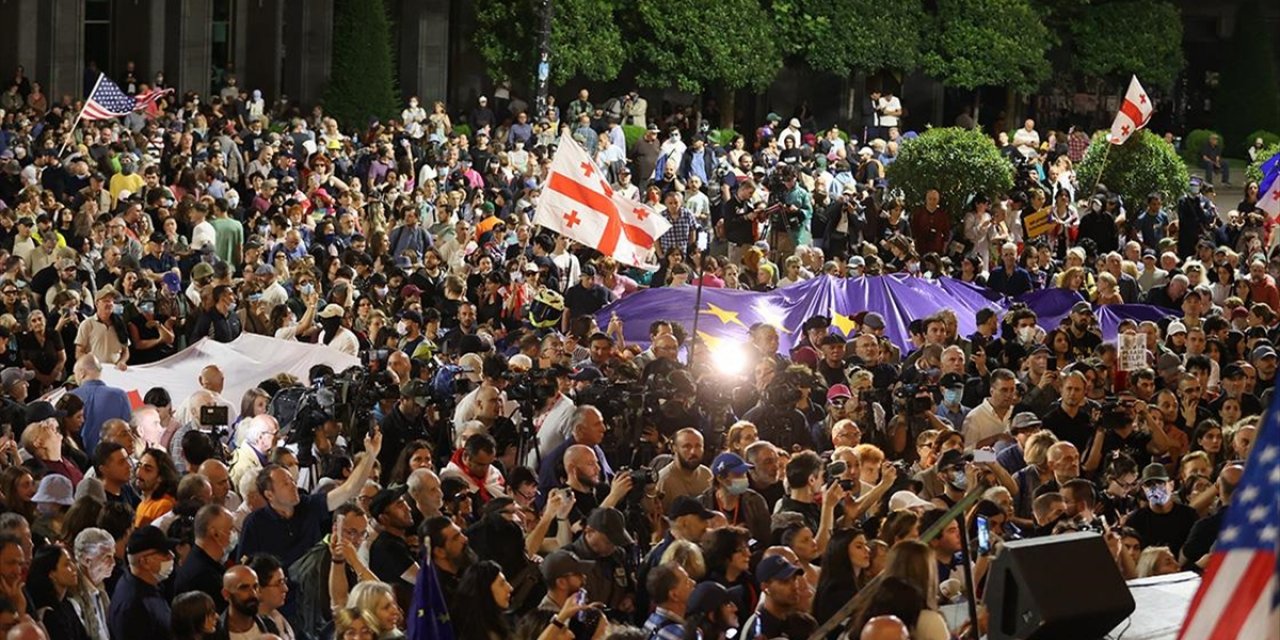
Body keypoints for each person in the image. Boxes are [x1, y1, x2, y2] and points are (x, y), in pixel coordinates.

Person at [108, 526, 177, 640]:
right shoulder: (133, 607)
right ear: (144, 561)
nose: (171, 556)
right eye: (164, 553)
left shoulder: (150, 583)